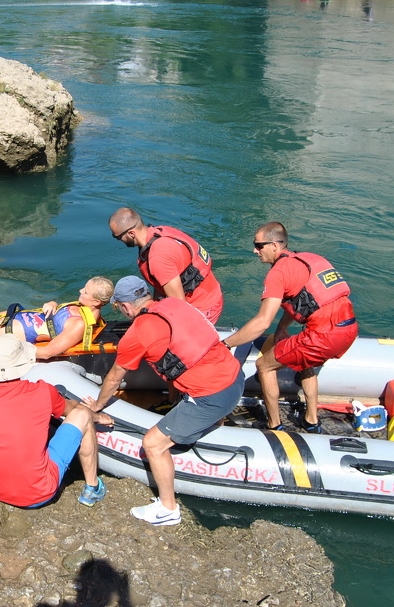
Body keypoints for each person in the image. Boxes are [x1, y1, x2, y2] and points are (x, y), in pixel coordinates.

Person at [83, 276, 244, 526]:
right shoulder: (176, 305)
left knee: (153, 443)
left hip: (212, 395)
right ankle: (213, 427)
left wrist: (97, 406)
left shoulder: (137, 331)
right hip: (236, 377)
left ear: (125, 306)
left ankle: (168, 509)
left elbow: (114, 378)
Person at [0, 334, 113, 507]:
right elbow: (74, 410)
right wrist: (97, 416)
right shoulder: (43, 391)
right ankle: (92, 488)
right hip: (39, 493)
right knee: (83, 416)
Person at [221, 222, 358, 433]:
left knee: (264, 366)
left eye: (259, 245)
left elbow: (261, 322)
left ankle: (273, 425)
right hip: (348, 328)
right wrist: (282, 328)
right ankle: (312, 421)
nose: (255, 250)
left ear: (275, 245)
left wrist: (226, 344)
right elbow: (305, 301)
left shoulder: (278, 273)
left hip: (323, 336)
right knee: (306, 361)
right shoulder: (311, 259)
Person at [108, 207, 224, 325]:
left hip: (203, 307)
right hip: (211, 293)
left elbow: (180, 305)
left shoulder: (159, 257)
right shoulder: (161, 231)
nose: (118, 240)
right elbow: (162, 282)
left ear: (131, 233)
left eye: (118, 237)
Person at [0, 277, 114, 359]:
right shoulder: (84, 309)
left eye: (85, 291)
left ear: (96, 302)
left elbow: (48, 352)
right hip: (21, 316)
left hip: (20, 330)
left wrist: (10, 349)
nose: (80, 291)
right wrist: (53, 305)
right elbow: (60, 319)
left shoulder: (80, 324)